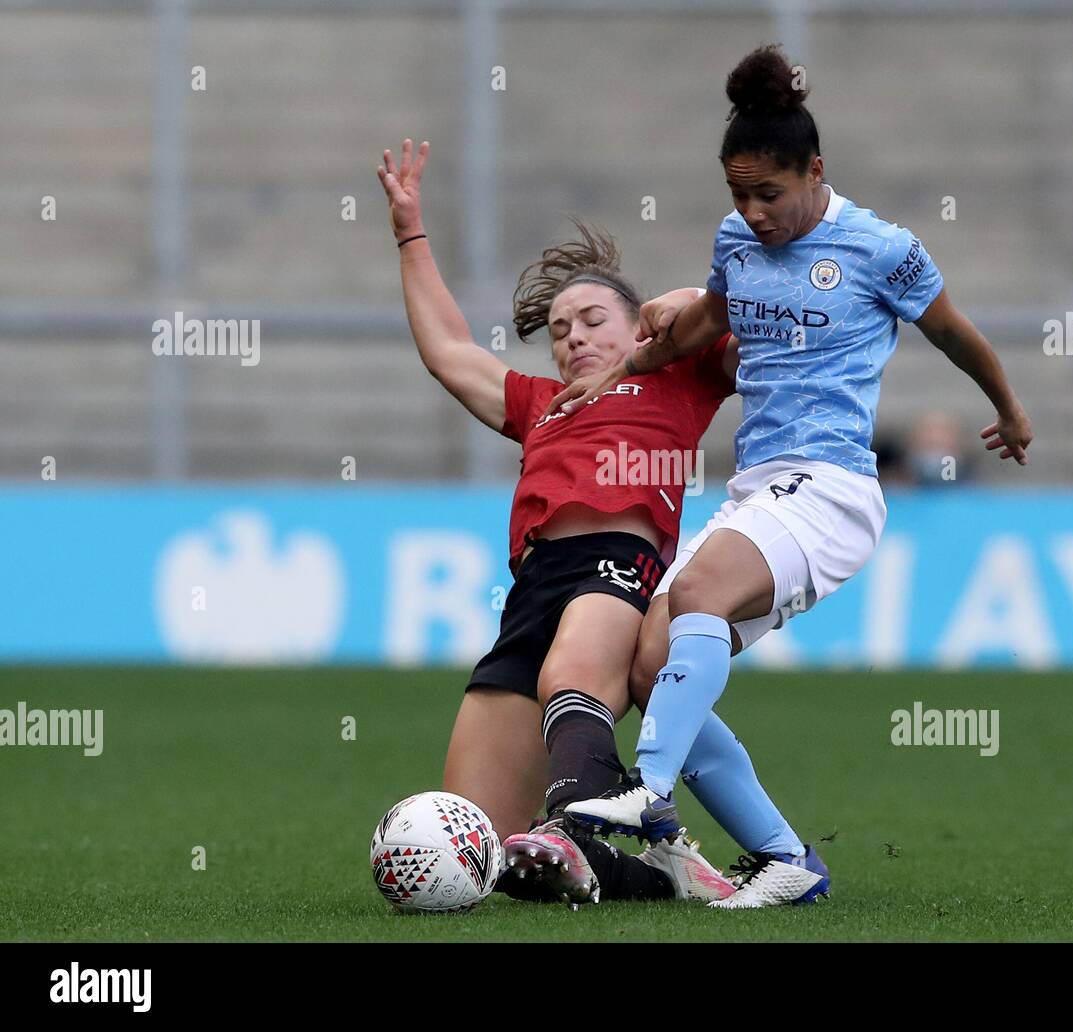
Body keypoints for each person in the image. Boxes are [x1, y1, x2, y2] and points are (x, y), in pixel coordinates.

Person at [556, 45, 1034, 908]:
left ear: (815, 171)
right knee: (649, 660)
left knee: (697, 593)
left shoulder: (881, 248)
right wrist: (623, 364)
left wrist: (1008, 406)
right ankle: (786, 861)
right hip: (763, 489)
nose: (753, 211)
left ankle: (650, 788)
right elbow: (708, 318)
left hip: (834, 486)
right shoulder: (737, 240)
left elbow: (954, 330)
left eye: (768, 193)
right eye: (738, 193)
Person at [377, 138, 810, 906]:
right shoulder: (539, 405)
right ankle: (669, 877)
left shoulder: (677, 377)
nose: (574, 336)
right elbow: (448, 352)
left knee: (573, 675)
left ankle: (579, 819)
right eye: (560, 328)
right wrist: (411, 231)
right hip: (532, 588)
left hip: (618, 563)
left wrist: (670, 315)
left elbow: (737, 311)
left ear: (635, 324)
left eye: (591, 319)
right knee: (492, 850)